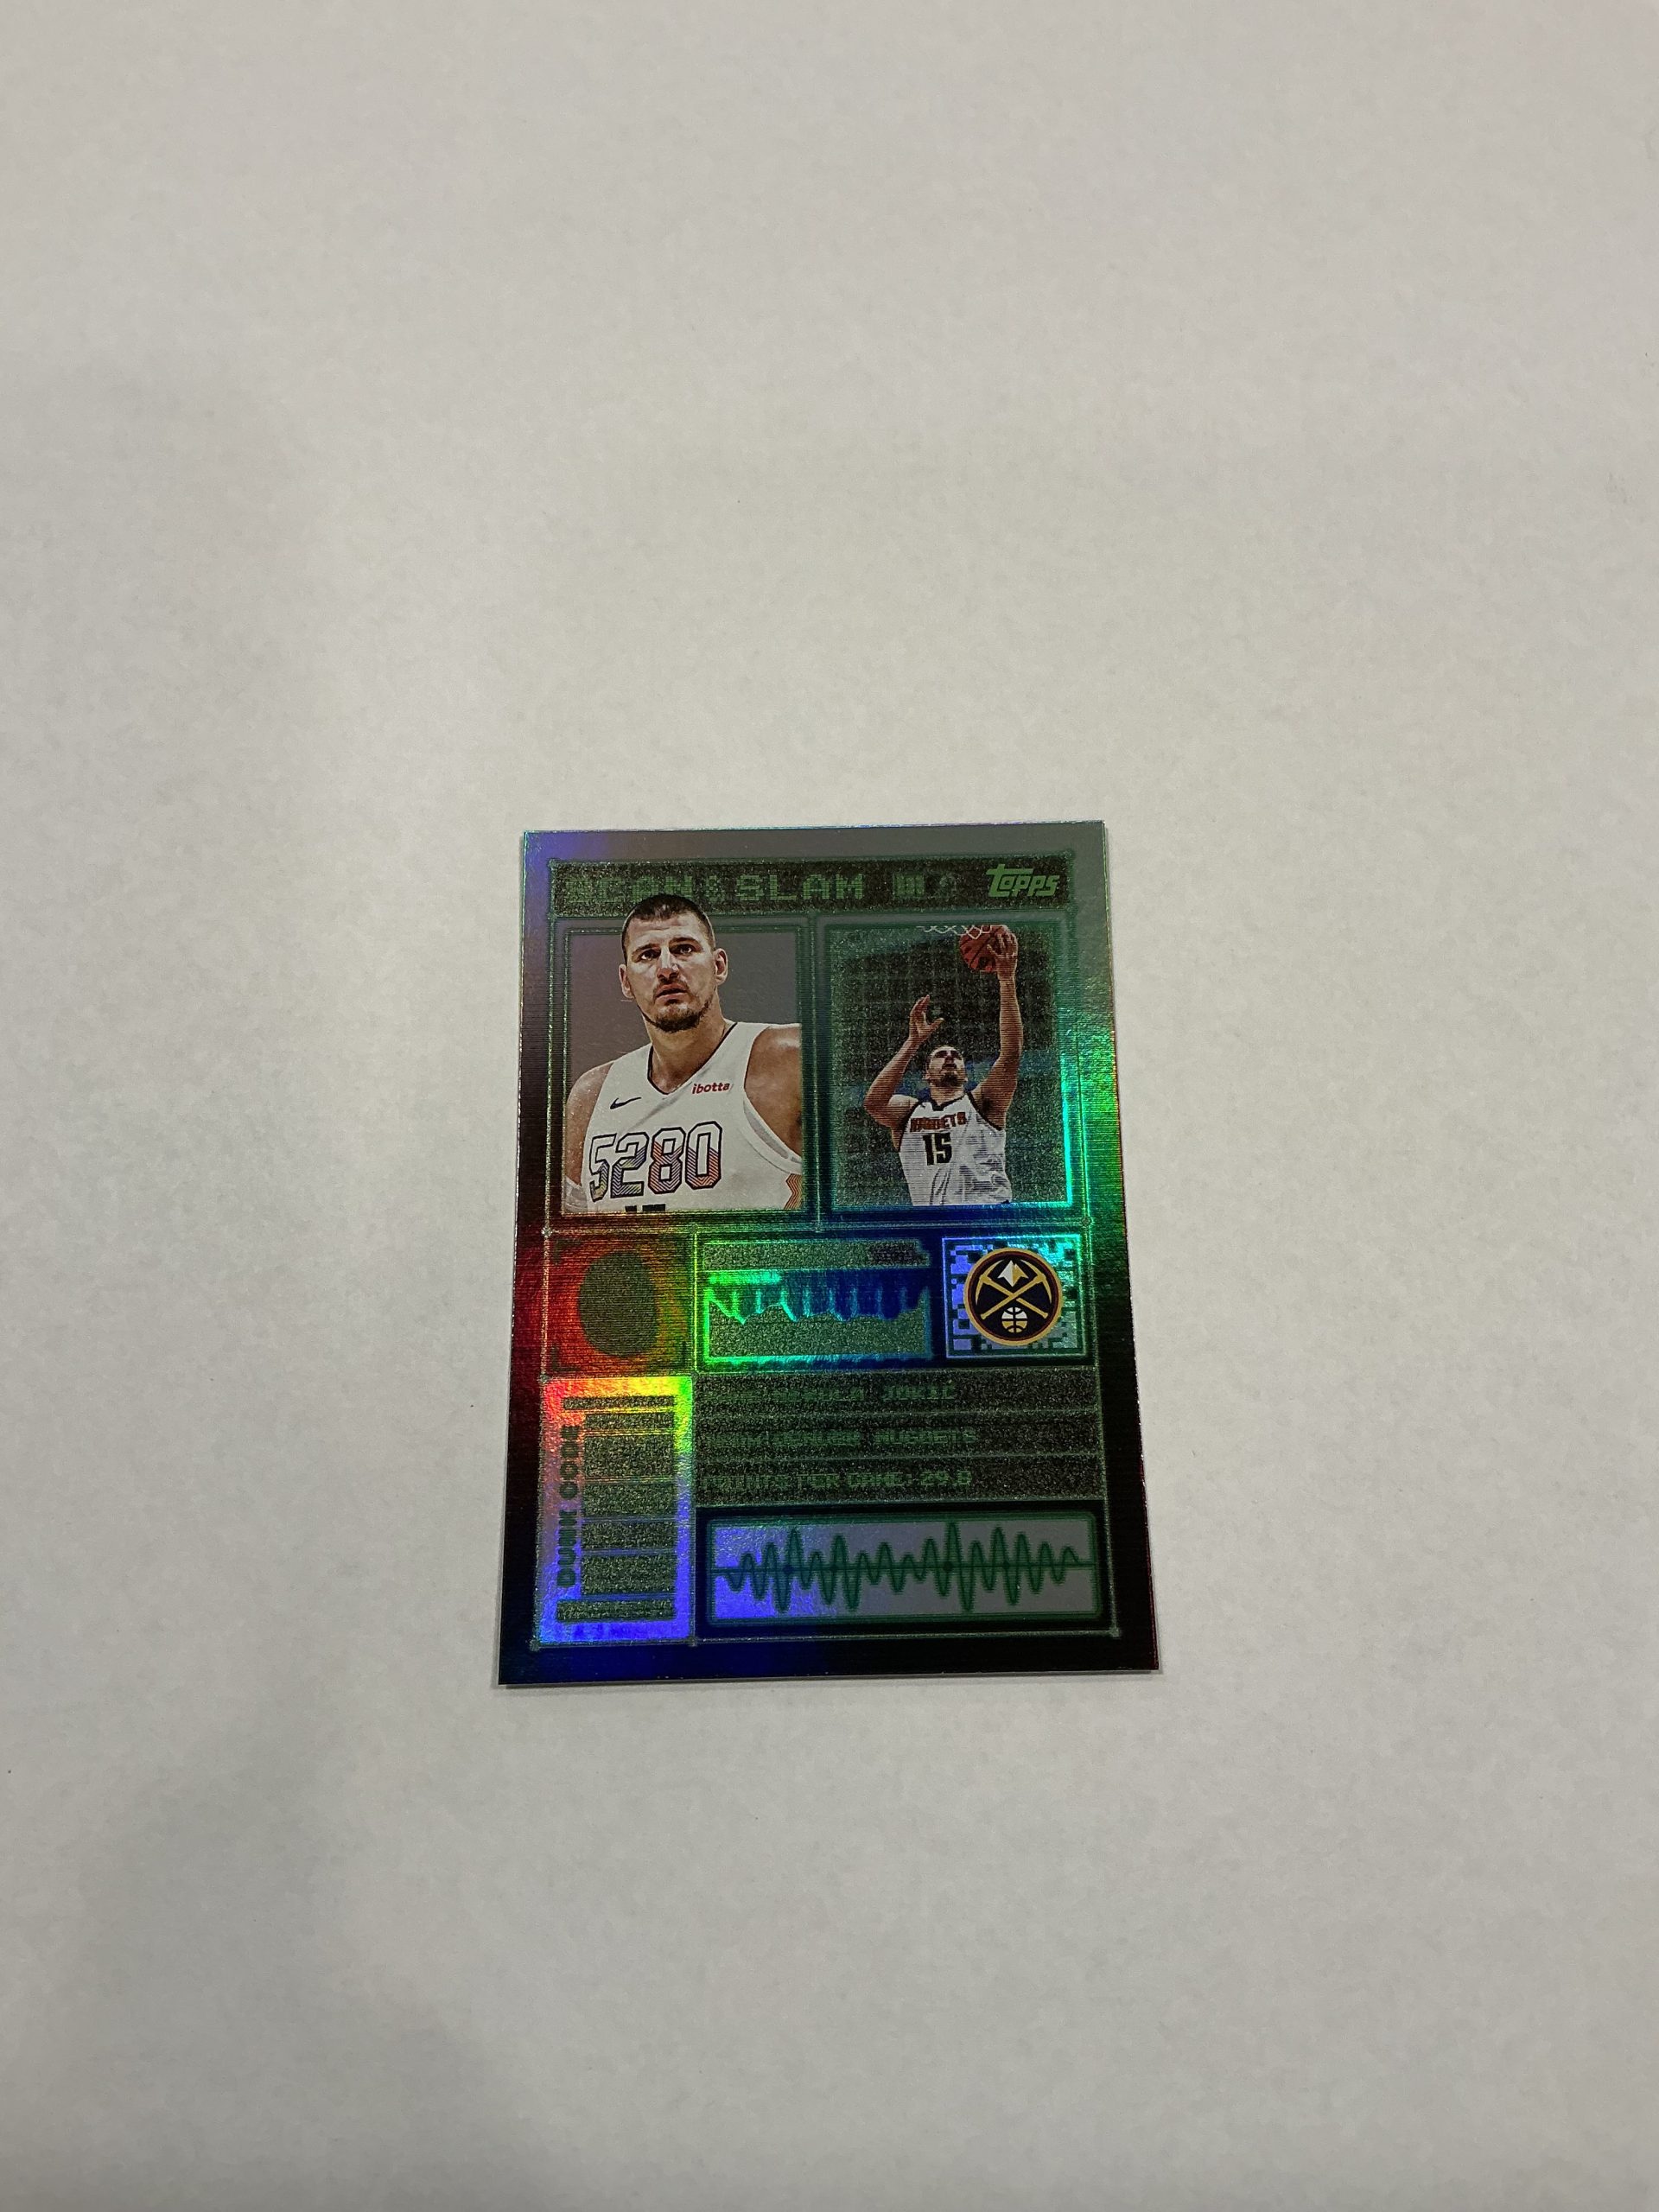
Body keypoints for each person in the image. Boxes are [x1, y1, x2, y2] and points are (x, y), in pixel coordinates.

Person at [564, 896, 802, 1214]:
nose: (667, 968)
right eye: (648, 955)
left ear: (719, 966)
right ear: (626, 982)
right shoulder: (591, 1096)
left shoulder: (790, 1057)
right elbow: (568, 1238)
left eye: (684, 949)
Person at [862, 927, 1021, 1205]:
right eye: (941, 1055)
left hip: (990, 1214)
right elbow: (874, 1104)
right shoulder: (908, 1111)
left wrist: (1006, 980)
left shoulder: (983, 1103)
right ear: (926, 1074)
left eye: (956, 1056)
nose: (949, 1057)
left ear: (965, 1073)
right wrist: (913, 1042)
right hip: (934, 1221)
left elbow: (1010, 1055)